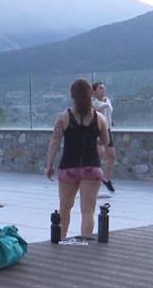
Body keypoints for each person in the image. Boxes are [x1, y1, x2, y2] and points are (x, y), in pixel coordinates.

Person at [46, 79, 111, 240]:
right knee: (88, 210)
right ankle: (85, 245)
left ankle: (60, 241)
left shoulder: (63, 117)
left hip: (68, 167)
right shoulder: (100, 118)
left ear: (72, 95)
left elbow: (54, 142)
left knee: (65, 208)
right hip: (92, 167)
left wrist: (49, 165)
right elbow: (106, 142)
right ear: (91, 93)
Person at [92, 82, 116, 193]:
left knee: (111, 156)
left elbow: (109, 111)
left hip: (107, 130)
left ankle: (106, 179)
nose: (103, 90)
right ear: (95, 91)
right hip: (97, 131)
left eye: (104, 88)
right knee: (99, 155)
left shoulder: (107, 100)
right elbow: (99, 108)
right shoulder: (93, 102)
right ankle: (94, 181)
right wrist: (106, 104)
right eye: (100, 88)